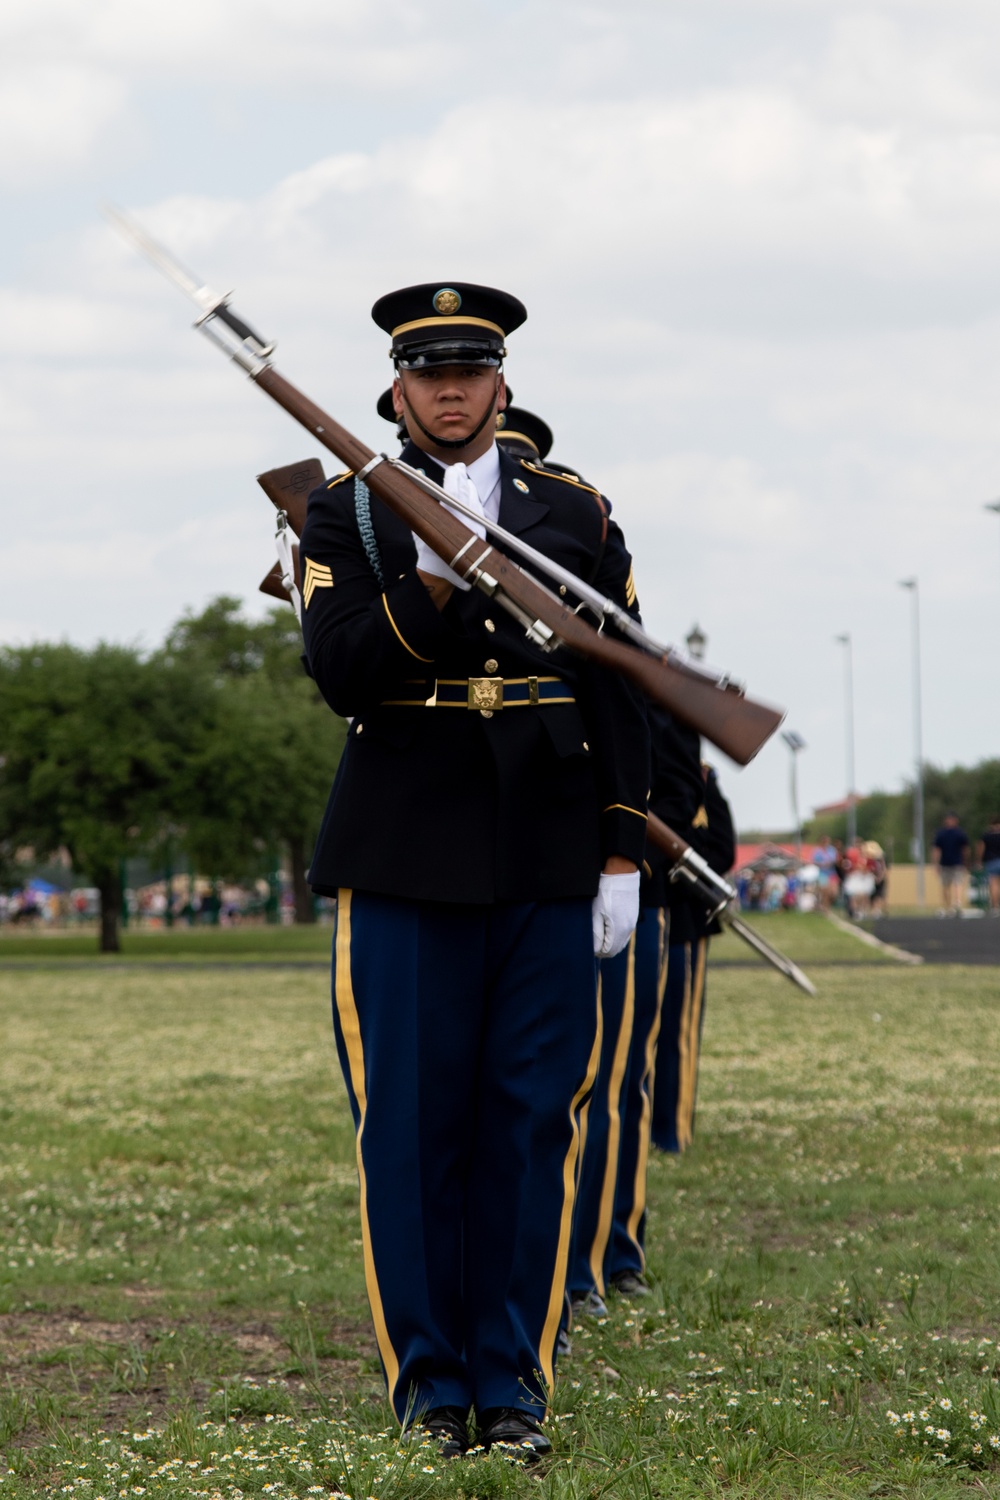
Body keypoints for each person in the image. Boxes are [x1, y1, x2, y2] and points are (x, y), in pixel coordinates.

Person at [298, 282, 649, 1460]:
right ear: (396, 389)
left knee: (527, 1126)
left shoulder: (574, 508)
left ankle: (513, 1391)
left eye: (470, 372)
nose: (450, 391)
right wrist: (441, 574)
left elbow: (619, 681)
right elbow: (344, 669)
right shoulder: (343, 513)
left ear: (502, 385)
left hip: (548, 848)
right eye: (428, 374)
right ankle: (430, 1390)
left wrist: (620, 848)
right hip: (403, 847)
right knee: (407, 1132)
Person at [932, 813, 970, 914]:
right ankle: (952, 905)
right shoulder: (959, 833)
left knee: (952, 884)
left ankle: (953, 904)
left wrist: (936, 863)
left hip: (954, 862)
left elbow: (936, 850)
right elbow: (965, 849)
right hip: (949, 863)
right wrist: (936, 863)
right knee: (951, 884)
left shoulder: (942, 834)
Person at [976, 815, 1000, 914]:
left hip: (991, 861)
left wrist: (979, 861)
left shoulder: (986, 836)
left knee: (993, 884)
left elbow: (981, 848)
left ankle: (995, 906)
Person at [813, 834, 838, 912]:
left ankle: (828, 904)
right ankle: (826, 908)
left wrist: (829, 863)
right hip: (823, 873)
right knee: (825, 892)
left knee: (834, 892)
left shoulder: (832, 850)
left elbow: (835, 860)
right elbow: (814, 861)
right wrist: (822, 864)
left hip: (831, 873)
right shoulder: (818, 851)